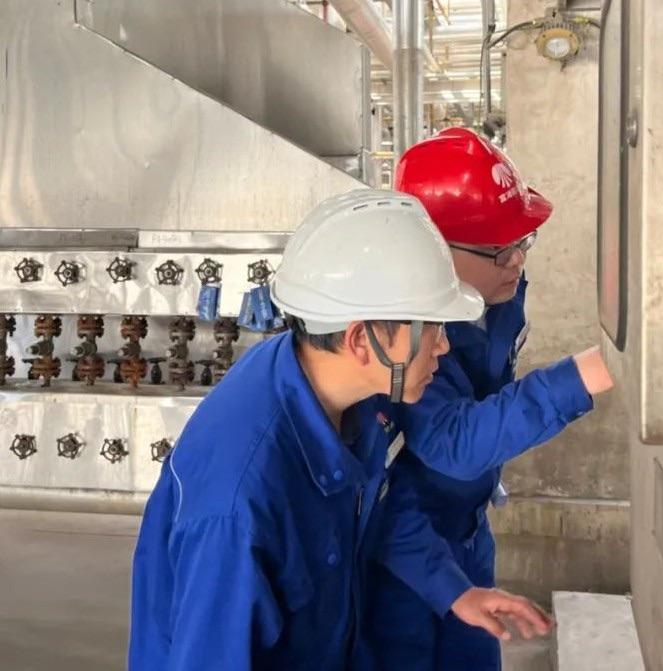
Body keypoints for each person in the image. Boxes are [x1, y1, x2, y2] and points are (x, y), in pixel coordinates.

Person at [128, 189, 552, 671]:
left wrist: (455, 591)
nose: (443, 346)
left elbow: (379, 508)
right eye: (431, 328)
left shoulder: (347, 390)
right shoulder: (239, 507)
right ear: (360, 339)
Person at [365, 129, 614, 670]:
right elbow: (451, 441)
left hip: (467, 532)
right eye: (501, 249)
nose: (518, 260)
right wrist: (581, 376)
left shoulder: (495, 293)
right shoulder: (399, 333)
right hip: (404, 556)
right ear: (432, 250)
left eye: (524, 241)